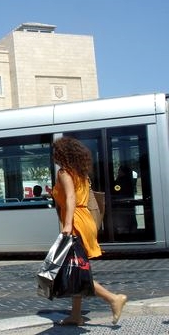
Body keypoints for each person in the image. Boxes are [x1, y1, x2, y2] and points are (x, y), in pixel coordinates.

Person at [52, 137, 127, 326]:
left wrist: (67, 225)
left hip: (76, 221)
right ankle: (76, 315)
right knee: (78, 266)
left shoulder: (64, 172)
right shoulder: (81, 173)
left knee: (76, 270)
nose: (53, 156)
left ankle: (113, 299)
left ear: (62, 154)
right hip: (86, 220)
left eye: (55, 152)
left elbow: (70, 197)